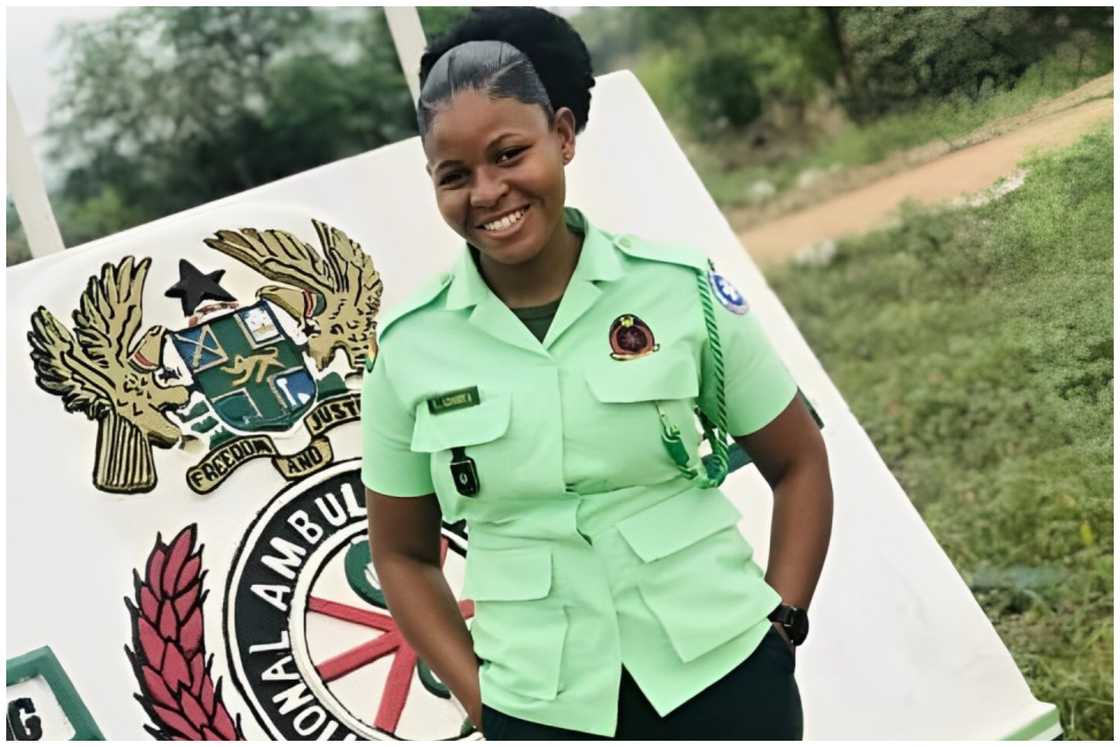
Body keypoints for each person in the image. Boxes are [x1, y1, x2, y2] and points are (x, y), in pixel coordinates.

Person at [361, 6, 833, 741]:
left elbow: (798, 459)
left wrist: (783, 623)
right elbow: (401, 551)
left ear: (563, 135)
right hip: (545, 706)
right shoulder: (410, 348)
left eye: (509, 154)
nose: (486, 192)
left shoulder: (676, 290)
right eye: (455, 175)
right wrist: (485, 700)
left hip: (725, 674)